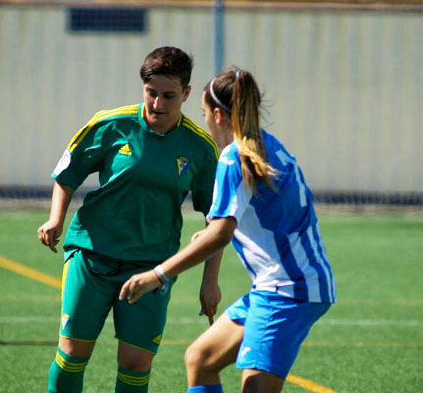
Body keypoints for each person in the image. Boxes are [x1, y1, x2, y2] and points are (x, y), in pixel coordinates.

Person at [119, 68, 336, 393]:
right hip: (283, 286)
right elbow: (245, 219)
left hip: (289, 291)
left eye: (205, 113)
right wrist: (212, 238)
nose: (205, 120)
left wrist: (158, 274)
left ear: (217, 114)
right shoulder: (264, 146)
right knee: (201, 359)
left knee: (254, 388)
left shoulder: (234, 158)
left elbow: (221, 231)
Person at [37, 46, 222, 393]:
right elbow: (67, 173)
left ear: (185, 94)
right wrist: (55, 219)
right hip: (91, 257)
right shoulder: (110, 124)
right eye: (151, 93)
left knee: (136, 363)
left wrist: (209, 281)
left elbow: (217, 220)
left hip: (152, 269)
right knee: (73, 353)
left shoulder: (200, 148)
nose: (157, 104)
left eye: (169, 96)